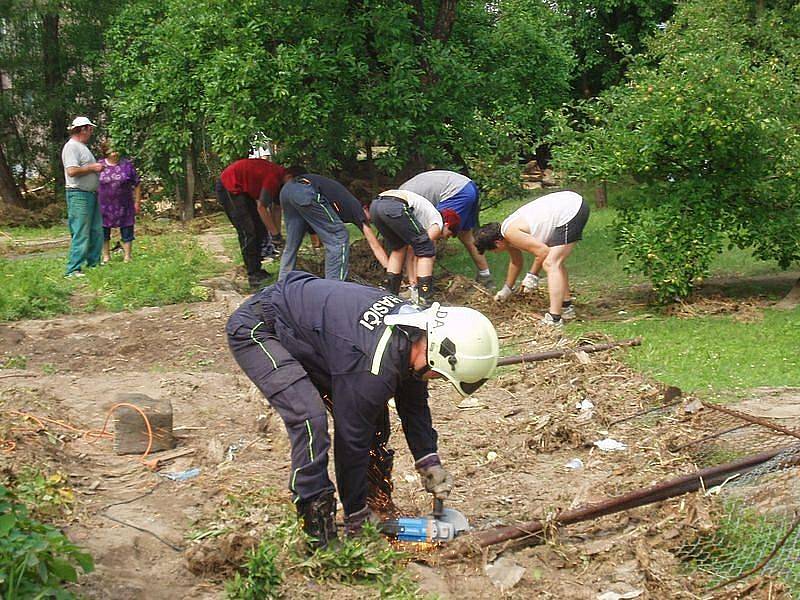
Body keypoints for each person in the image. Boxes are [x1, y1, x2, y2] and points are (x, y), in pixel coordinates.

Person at [226, 271, 499, 549]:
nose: (436, 379)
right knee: (310, 419)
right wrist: (356, 516)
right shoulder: (373, 364)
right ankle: (318, 527)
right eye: (439, 374)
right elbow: (351, 441)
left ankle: (375, 505)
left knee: (373, 422)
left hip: (318, 334)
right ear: (435, 351)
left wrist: (428, 459)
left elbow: (414, 404)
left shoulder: (414, 331)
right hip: (262, 327)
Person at [474, 190, 590, 327]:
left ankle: (554, 318)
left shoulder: (511, 233)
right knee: (554, 261)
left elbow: (542, 251)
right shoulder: (507, 234)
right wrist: (506, 290)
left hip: (571, 209)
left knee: (551, 263)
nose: (495, 253)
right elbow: (516, 263)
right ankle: (566, 307)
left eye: (492, 250)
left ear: (497, 243)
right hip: (569, 205)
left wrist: (532, 276)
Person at [278, 173, 389, 281]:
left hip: (287, 190)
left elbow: (316, 223)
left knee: (291, 244)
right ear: (365, 207)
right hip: (306, 191)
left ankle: (281, 285)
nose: (371, 221)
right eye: (372, 217)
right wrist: (391, 271)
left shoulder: (342, 200)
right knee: (339, 237)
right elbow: (375, 246)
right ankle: (334, 286)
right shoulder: (356, 208)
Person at [400, 170, 494, 289]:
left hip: (456, 192)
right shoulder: (403, 195)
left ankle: (422, 284)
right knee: (465, 235)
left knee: (429, 237)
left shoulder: (399, 204)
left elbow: (419, 241)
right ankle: (485, 276)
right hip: (467, 186)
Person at [368, 189, 461, 307]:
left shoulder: (423, 219)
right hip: (394, 206)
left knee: (399, 248)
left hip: (375, 206)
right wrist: (414, 283)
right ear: (447, 225)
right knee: (426, 249)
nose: (443, 238)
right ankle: (425, 298)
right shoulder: (438, 222)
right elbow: (420, 252)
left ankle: (391, 294)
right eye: (447, 235)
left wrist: (413, 282)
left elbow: (411, 251)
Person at [216, 158, 292, 288]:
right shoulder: (274, 178)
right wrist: (275, 235)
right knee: (248, 230)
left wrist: (277, 234)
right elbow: (261, 207)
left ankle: (258, 268)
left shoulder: (280, 182)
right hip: (229, 185)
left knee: (260, 228)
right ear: (289, 176)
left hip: (243, 191)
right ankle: (253, 273)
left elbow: (276, 209)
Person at [62, 116, 105, 277]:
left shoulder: (82, 147)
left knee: (96, 230)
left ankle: (94, 262)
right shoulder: (71, 147)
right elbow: (72, 171)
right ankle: (73, 269)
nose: (91, 132)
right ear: (83, 129)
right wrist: (93, 167)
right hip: (78, 194)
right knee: (81, 230)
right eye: (90, 129)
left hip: (90, 194)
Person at [97, 139, 142, 263]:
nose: (114, 152)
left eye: (116, 149)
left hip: (124, 204)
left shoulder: (127, 165)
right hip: (103, 205)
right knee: (103, 230)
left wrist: (137, 202)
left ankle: (127, 256)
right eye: (111, 149)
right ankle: (106, 256)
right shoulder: (99, 165)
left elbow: (137, 184)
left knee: (127, 228)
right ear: (105, 151)